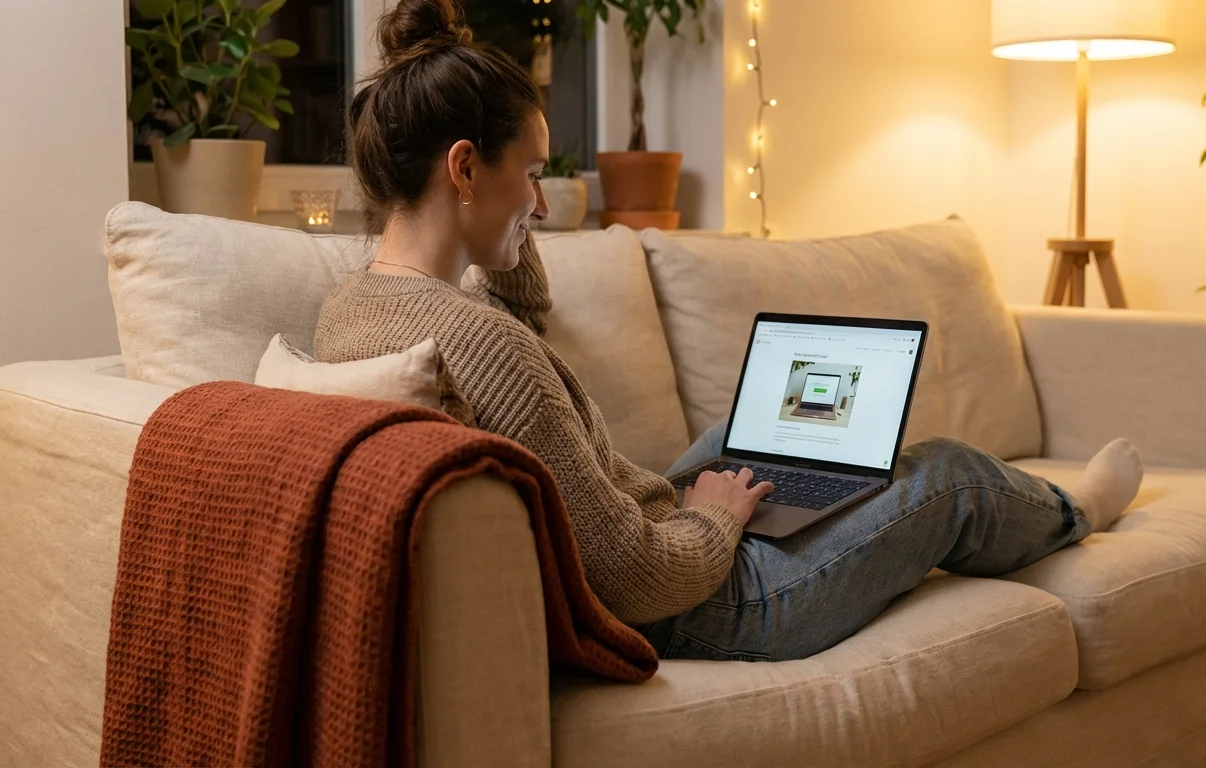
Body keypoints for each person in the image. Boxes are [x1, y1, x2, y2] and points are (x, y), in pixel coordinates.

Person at [316, 0, 1145, 662]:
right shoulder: (484, 348)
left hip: (649, 535)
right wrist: (714, 522)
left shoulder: (355, 305)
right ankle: (1077, 510)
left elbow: (521, 312)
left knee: (743, 438)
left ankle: (829, 495)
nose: (539, 204)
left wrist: (498, 232)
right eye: (530, 177)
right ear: (464, 167)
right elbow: (634, 579)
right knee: (949, 477)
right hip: (701, 605)